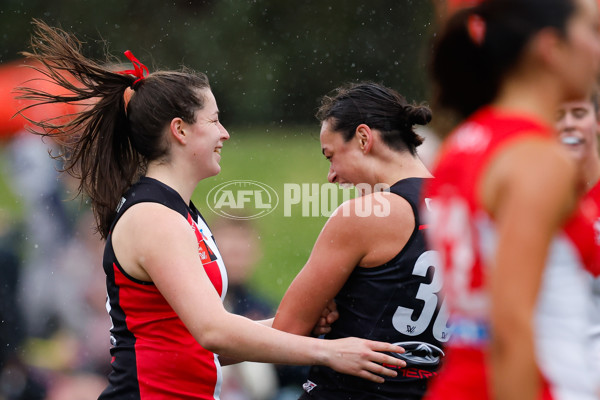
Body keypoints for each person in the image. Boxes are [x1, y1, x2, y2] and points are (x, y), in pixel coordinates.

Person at [16, 20, 407, 400]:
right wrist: (330, 353)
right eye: (215, 120)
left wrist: (295, 329)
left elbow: (207, 341)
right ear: (180, 130)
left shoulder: (180, 212)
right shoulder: (153, 217)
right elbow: (213, 332)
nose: (225, 133)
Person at [423, 0, 600, 399]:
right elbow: (510, 327)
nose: (597, 50)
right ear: (551, 48)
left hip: (463, 381)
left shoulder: (461, 146)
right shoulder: (537, 158)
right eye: (592, 32)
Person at [272, 82, 448, 400]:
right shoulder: (462, 204)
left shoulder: (368, 212)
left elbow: (285, 334)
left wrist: (314, 318)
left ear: (364, 138)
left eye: (331, 156)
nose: (331, 175)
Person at [555, 89, 600, 381]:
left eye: (579, 114)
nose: (569, 124)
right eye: (558, 116)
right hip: (556, 361)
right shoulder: (532, 198)